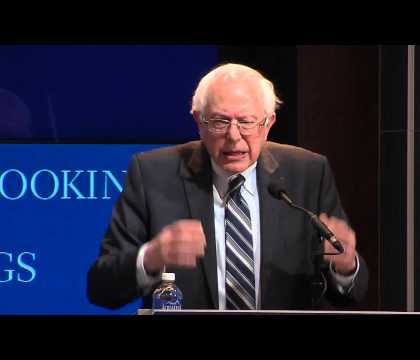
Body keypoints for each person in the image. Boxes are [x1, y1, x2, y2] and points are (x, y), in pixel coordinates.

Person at [87, 63, 368, 310]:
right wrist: (151, 256)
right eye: (220, 122)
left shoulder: (307, 173)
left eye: (246, 122)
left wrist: (344, 266)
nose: (234, 137)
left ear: (268, 123)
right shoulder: (153, 173)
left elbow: (350, 295)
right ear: (198, 121)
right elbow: (101, 287)